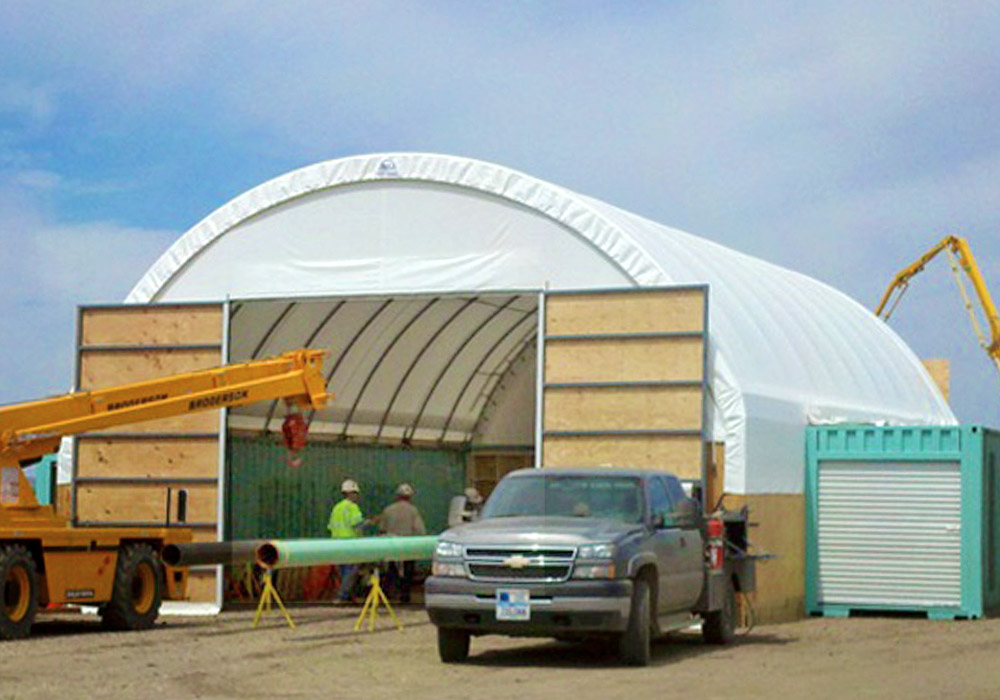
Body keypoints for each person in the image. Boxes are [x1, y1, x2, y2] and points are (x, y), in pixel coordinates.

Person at [378, 483, 426, 603]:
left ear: (397, 496)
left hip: (391, 546)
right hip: (408, 546)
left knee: (390, 571)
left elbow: (382, 529)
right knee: (408, 572)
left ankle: (388, 594)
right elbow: (420, 530)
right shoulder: (413, 511)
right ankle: (405, 595)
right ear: (409, 497)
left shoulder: (388, 510)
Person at [328, 478, 365, 603]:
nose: (356, 496)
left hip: (337, 544)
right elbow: (356, 525)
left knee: (344, 571)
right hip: (350, 543)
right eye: (355, 493)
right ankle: (342, 596)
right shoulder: (352, 507)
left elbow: (331, 526)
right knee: (351, 571)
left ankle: (348, 595)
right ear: (351, 493)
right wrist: (367, 525)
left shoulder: (336, 508)